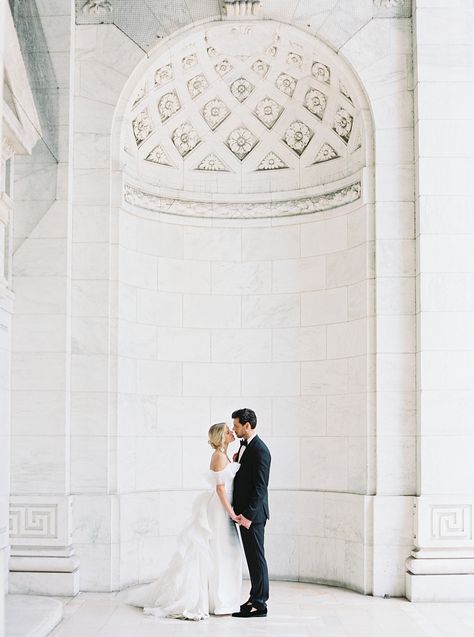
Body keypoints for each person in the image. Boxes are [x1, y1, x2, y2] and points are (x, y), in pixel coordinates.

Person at [127, 422, 242, 620]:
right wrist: (231, 512)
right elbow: (220, 488)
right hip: (220, 509)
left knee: (223, 551)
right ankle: (220, 600)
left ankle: (220, 599)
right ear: (221, 437)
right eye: (227, 431)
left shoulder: (222, 456)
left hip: (220, 507)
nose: (232, 432)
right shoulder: (218, 456)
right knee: (221, 551)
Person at [231, 408, 271, 618]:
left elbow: (260, 487)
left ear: (247, 426)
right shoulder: (246, 447)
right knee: (252, 558)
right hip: (246, 514)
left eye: (236, 426)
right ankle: (254, 597)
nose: (233, 429)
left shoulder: (261, 450)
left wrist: (247, 515)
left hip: (253, 516)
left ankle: (260, 604)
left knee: (257, 559)